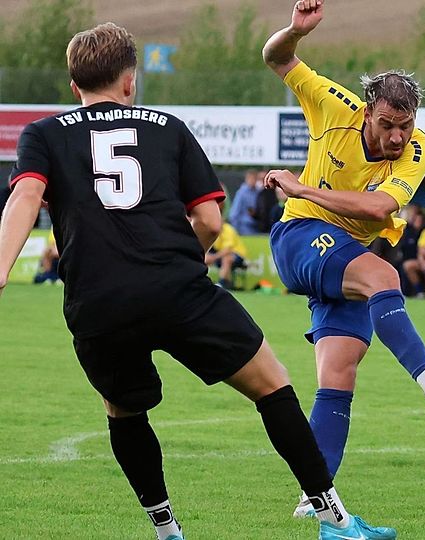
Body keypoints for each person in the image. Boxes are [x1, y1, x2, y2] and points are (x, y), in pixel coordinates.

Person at [0, 22, 395, 540]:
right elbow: (209, 220)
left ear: (74, 87)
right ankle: (334, 520)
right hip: (178, 289)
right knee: (272, 384)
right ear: (129, 81)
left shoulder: (43, 134)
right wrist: (186, 261)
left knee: (123, 409)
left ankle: (167, 529)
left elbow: (26, 197)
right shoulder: (167, 127)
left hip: (98, 301)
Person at [261, 0, 425, 511]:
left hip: (345, 255)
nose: (396, 137)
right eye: (387, 124)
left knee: (339, 372)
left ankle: (315, 498)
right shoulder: (332, 105)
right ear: (367, 111)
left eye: (405, 126)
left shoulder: (419, 149)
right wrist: (294, 32)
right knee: (384, 274)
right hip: (300, 234)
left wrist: (304, 186)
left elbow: (380, 205)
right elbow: (275, 58)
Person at [205, 220, 249, 290]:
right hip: (220, 255)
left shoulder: (228, 230)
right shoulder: (214, 231)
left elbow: (228, 250)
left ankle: (222, 283)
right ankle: (202, 281)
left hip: (238, 255)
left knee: (227, 258)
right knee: (204, 258)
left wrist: (213, 257)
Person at [229, 169, 262, 235]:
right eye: (250, 178)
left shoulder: (258, 192)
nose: (252, 181)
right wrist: (236, 231)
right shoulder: (241, 193)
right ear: (246, 179)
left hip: (256, 227)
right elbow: (234, 213)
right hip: (244, 227)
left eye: (254, 178)